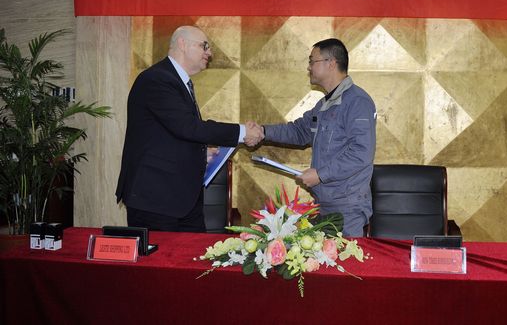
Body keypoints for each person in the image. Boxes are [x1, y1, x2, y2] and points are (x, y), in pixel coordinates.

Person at [116, 25, 263, 232]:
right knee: (163, 255)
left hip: (181, 199)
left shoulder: (177, 80)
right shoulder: (157, 79)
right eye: (204, 46)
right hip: (156, 199)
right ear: (182, 44)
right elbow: (188, 127)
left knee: (194, 252)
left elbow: (169, 134)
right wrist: (242, 132)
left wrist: (199, 153)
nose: (209, 53)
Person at [252, 38, 377, 237]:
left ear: (331, 63)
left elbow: (361, 153)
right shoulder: (324, 105)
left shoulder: (357, 102)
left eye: (312, 61)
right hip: (324, 203)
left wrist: (320, 175)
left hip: (347, 206)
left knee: (345, 256)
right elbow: (299, 131)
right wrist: (262, 131)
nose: (309, 67)